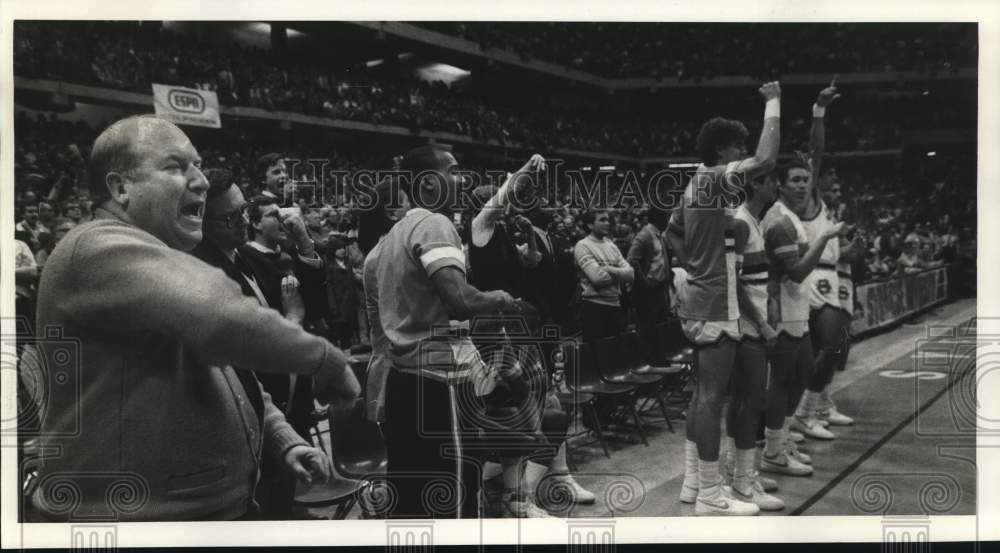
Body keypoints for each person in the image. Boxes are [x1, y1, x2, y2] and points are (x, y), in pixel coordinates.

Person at [31, 115, 359, 521]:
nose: (201, 180)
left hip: (196, 517)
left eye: (198, 165)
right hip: (134, 528)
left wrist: (281, 437)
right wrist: (325, 361)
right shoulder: (95, 247)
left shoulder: (157, 258)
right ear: (120, 188)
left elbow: (228, 375)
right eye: (175, 166)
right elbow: (224, 320)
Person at [369, 144, 517, 519]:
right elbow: (459, 300)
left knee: (413, 501)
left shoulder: (388, 239)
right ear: (428, 184)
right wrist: (500, 298)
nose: (461, 178)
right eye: (452, 170)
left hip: (405, 380)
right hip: (439, 383)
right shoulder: (434, 223)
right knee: (457, 498)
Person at [666, 81, 781, 516]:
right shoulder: (714, 179)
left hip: (702, 297)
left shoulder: (694, 185)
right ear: (721, 149)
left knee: (703, 396)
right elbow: (766, 158)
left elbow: (672, 232)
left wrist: (695, 265)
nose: (743, 152)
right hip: (714, 301)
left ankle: (696, 485)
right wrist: (774, 102)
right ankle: (712, 495)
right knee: (712, 398)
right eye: (738, 146)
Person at [758, 159, 847, 479]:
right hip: (782, 310)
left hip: (797, 308)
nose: (801, 185)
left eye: (805, 179)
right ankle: (772, 452)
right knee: (782, 381)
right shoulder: (779, 219)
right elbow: (796, 272)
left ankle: (781, 441)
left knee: (802, 374)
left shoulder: (792, 217)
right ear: (780, 184)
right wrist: (825, 238)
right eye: (794, 179)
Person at [790, 83, 856, 438]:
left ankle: (817, 406)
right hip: (813, 277)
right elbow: (816, 151)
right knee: (832, 345)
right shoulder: (805, 198)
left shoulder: (824, 205)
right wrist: (819, 110)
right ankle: (804, 412)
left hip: (829, 276)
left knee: (830, 348)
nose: (808, 176)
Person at [574, 210, 634, 345]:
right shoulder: (583, 246)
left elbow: (631, 274)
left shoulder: (612, 246)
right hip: (594, 307)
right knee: (597, 352)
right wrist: (620, 274)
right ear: (590, 225)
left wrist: (608, 269)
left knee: (617, 351)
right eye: (602, 220)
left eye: (607, 220)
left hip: (616, 305)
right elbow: (597, 279)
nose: (607, 223)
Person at [627, 206, 672, 362]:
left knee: (659, 326)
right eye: (666, 217)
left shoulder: (659, 235)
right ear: (658, 218)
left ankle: (660, 361)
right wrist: (645, 282)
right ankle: (649, 362)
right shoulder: (645, 236)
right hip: (647, 291)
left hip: (659, 288)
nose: (668, 221)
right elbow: (632, 260)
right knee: (648, 328)